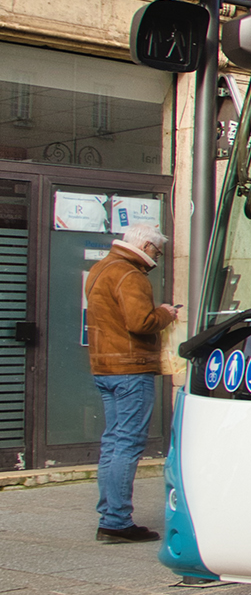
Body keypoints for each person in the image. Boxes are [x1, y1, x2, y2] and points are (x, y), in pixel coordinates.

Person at [84, 224, 178, 543]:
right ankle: (117, 521)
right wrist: (165, 314)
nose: (158, 257)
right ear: (146, 246)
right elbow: (141, 322)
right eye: (158, 251)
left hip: (105, 367)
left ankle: (109, 515)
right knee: (127, 443)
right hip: (131, 369)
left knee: (113, 442)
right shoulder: (130, 274)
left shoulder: (101, 268)